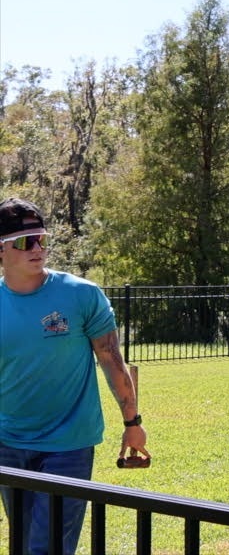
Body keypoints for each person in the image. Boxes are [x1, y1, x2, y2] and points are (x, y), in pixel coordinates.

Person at [0, 197, 150, 555]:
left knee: (46, 547)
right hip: (8, 442)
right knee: (22, 543)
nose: (38, 249)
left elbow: (112, 360)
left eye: (42, 239)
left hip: (69, 444)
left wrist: (133, 421)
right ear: (1, 250)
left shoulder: (81, 295)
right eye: (25, 242)